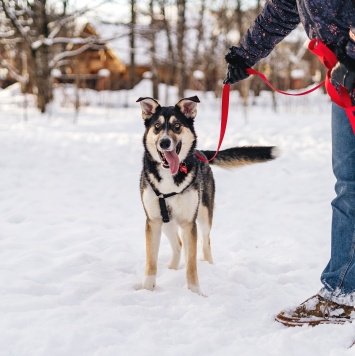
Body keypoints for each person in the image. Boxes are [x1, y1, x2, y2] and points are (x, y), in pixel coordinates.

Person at [224, 0, 355, 326]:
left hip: (350, 66)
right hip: (346, 77)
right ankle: (342, 293)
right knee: (349, 185)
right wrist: (245, 53)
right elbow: (282, 10)